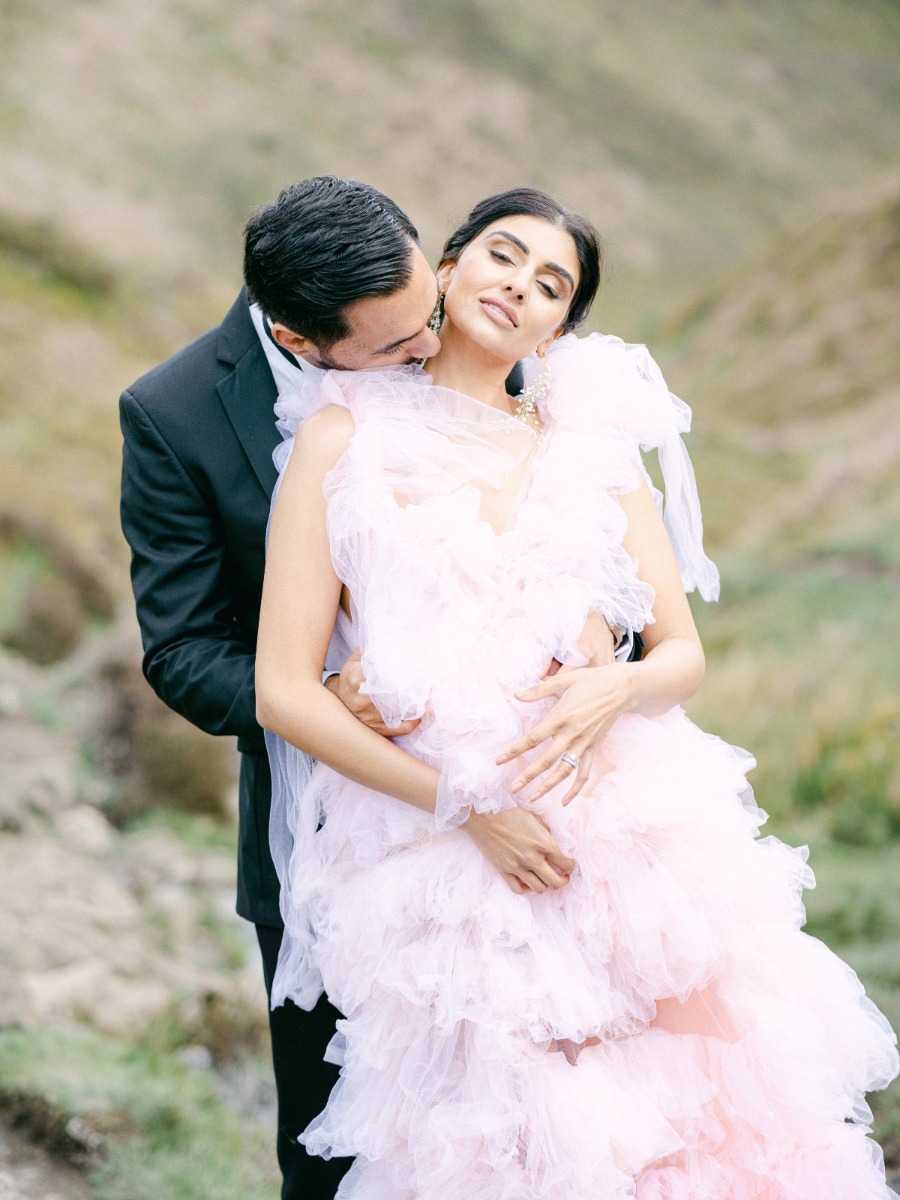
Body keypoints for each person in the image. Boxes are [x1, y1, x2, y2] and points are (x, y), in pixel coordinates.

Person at [256, 187, 899, 1198]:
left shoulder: (588, 445)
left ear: (562, 324)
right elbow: (283, 693)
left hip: (623, 831)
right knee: (499, 1137)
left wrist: (618, 690)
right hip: (449, 852)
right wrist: (471, 810)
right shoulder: (346, 439)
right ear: (448, 264)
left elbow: (682, 652)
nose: (521, 284)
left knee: (686, 1121)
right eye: (504, 255)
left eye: (552, 283)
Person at [119, 176, 601, 1200]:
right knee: (340, 1144)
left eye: (429, 311)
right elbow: (181, 651)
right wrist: (323, 692)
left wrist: (591, 647)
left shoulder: (451, 327)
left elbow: (579, 544)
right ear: (303, 343)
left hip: (521, 810)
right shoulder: (173, 416)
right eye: (395, 347)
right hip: (324, 835)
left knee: (537, 1123)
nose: (431, 346)